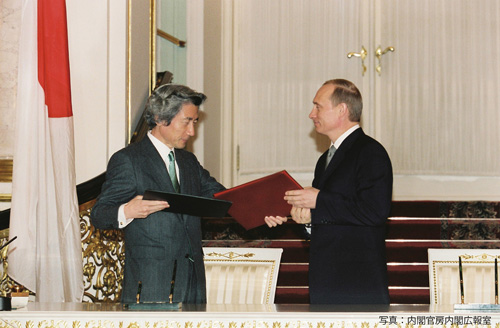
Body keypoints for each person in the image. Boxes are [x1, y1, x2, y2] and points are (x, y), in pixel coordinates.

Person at [91, 84, 225, 304]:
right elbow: (99, 214)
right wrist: (127, 210)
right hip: (151, 281)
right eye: (186, 122)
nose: (192, 132)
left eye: (195, 122)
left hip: (192, 279)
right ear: (161, 118)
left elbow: (220, 196)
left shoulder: (188, 161)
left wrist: (260, 207)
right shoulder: (129, 160)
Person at [265, 79, 393, 304]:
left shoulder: (370, 152)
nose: (311, 114)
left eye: (318, 106)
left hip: (358, 282)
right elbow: (331, 213)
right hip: (327, 279)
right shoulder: (325, 159)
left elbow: (375, 211)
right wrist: (306, 219)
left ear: (341, 110)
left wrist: (319, 200)